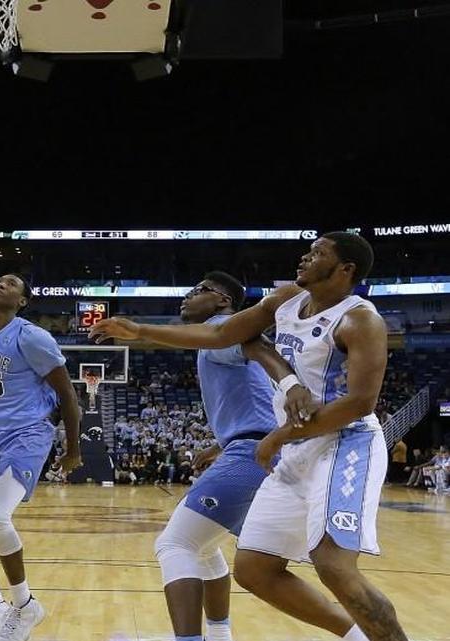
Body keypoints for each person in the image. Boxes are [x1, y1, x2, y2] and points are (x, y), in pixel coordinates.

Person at [91, 232, 406, 641]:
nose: (305, 258)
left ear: (345, 270)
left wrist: (279, 434)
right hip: (294, 445)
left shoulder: (361, 319)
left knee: (332, 564)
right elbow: (223, 335)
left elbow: (361, 402)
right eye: (308, 251)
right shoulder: (285, 300)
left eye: (318, 254)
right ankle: (354, 636)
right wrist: (140, 331)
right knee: (254, 568)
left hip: (345, 444)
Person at [144, 271, 311, 641]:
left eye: (199, 290)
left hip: (251, 453)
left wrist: (291, 384)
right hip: (257, 447)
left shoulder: (222, 327)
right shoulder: (217, 335)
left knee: (175, 544)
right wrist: (218, 445)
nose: (187, 296)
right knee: (204, 549)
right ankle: (220, 635)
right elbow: (259, 397)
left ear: (222, 301)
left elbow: (258, 346)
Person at [0, 274, 82, 641]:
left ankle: (24, 606)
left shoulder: (33, 337)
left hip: (29, 432)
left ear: (22, 301)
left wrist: (73, 448)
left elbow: (68, 395)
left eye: (10, 283)